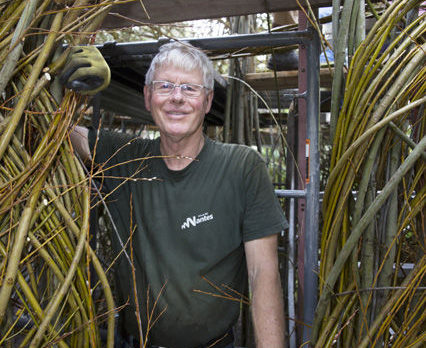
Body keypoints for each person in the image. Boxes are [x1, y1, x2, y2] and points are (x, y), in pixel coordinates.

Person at [64, 41, 288, 348]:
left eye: (190, 89)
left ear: (207, 101)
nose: (177, 98)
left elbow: (262, 273)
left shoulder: (241, 167)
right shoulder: (126, 158)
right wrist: (64, 82)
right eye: (165, 86)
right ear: (147, 97)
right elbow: (61, 130)